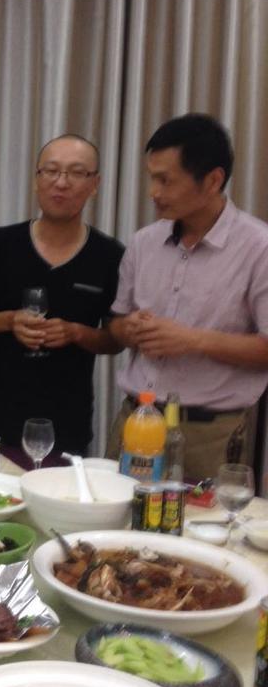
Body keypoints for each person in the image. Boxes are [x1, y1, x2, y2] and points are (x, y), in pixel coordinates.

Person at [107, 113, 268, 481]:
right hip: (135, 418)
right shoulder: (144, 242)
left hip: (209, 433)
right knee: (111, 515)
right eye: (151, 178)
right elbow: (115, 327)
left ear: (213, 180)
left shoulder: (259, 248)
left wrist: (192, 340)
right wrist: (128, 329)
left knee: (200, 520)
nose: (153, 192)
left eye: (165, 180)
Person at [0, 134, 124, 456]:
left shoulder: (110, 255)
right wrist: (8, 321)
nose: (61, 182)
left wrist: (76, 333)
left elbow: (116, 340)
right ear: (36, 179)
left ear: (95, 184)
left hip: (68, 424)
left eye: (76, 173)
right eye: (51, 171)